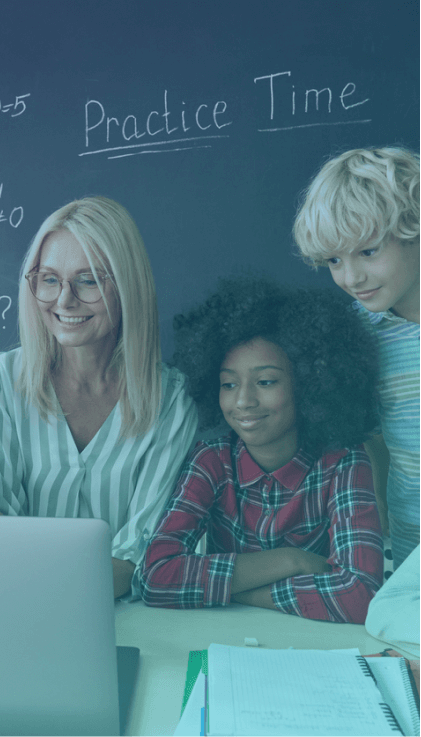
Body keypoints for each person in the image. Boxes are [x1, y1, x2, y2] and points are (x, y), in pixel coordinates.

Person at [0, 196, 198, 598]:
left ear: (127, 285)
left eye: (89, 281)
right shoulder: (4, 379)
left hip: (128, 621)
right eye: (49, 279)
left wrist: (25, 562)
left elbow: (143, 561)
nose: (64, 301)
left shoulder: (170, 400)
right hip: (23, 606)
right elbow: (2, 524)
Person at [139, 278, 383, 623]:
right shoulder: (211, 459)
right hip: (224, 640)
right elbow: (153, 577)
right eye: (229, 384)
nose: (243, 401)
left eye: (266, 381)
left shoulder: (343, 461)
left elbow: (361, 595)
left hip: (316, 645)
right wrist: (291, 560)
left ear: (310, 382)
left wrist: (235, 591)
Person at [293, 147, 419, 570]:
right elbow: (372, 431)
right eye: (333, 260)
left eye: (368, 252)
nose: (351, 278)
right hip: (410, 556)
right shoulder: (358, 335)